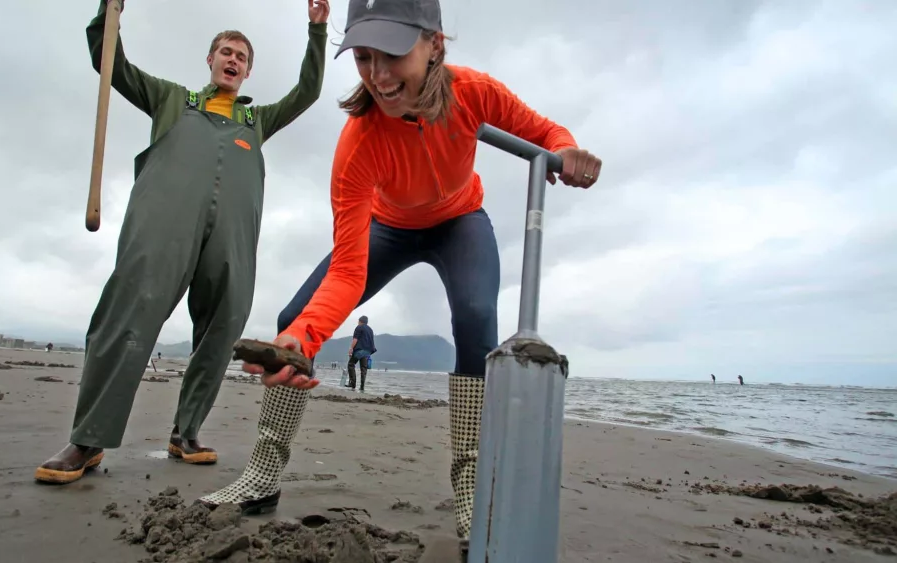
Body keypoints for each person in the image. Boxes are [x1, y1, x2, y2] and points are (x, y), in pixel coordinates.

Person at [196, 0, 602, 548]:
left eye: (392, 54)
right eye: (364, 56)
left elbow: (545, 132)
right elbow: (346, 271)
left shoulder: (473, 92)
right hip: (388, 226)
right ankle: (263, 474)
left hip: (460, 220)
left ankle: (469, 487)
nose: (379, 76)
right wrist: (303, 338)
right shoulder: (360, 141)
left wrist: (566, 151)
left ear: (435, 44)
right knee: (295, 316)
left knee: (478, 316)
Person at [34, 0, 331, 485]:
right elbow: (111, 62)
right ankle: (86, 440)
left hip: (232, 234)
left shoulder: (258, 122)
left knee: (222, 325)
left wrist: (316, 32)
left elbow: (307, 92)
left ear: (248, 71)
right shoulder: (170, 99)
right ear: (210, 60)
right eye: (225, 52)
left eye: (241, 57)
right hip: (164, 223)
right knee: (129, 311)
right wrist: (107, 14)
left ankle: (186, 432)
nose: (233, 60)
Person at [346, 315, 376, 390]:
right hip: (368, 351)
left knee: (351, 364)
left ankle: (353, 384)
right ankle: (362, 387)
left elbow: (355, 339)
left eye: (358, 321)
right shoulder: (370, 329)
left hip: (359, 350)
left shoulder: (359, 327)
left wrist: (351, 348)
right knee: (363, 368)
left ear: (360, 321)